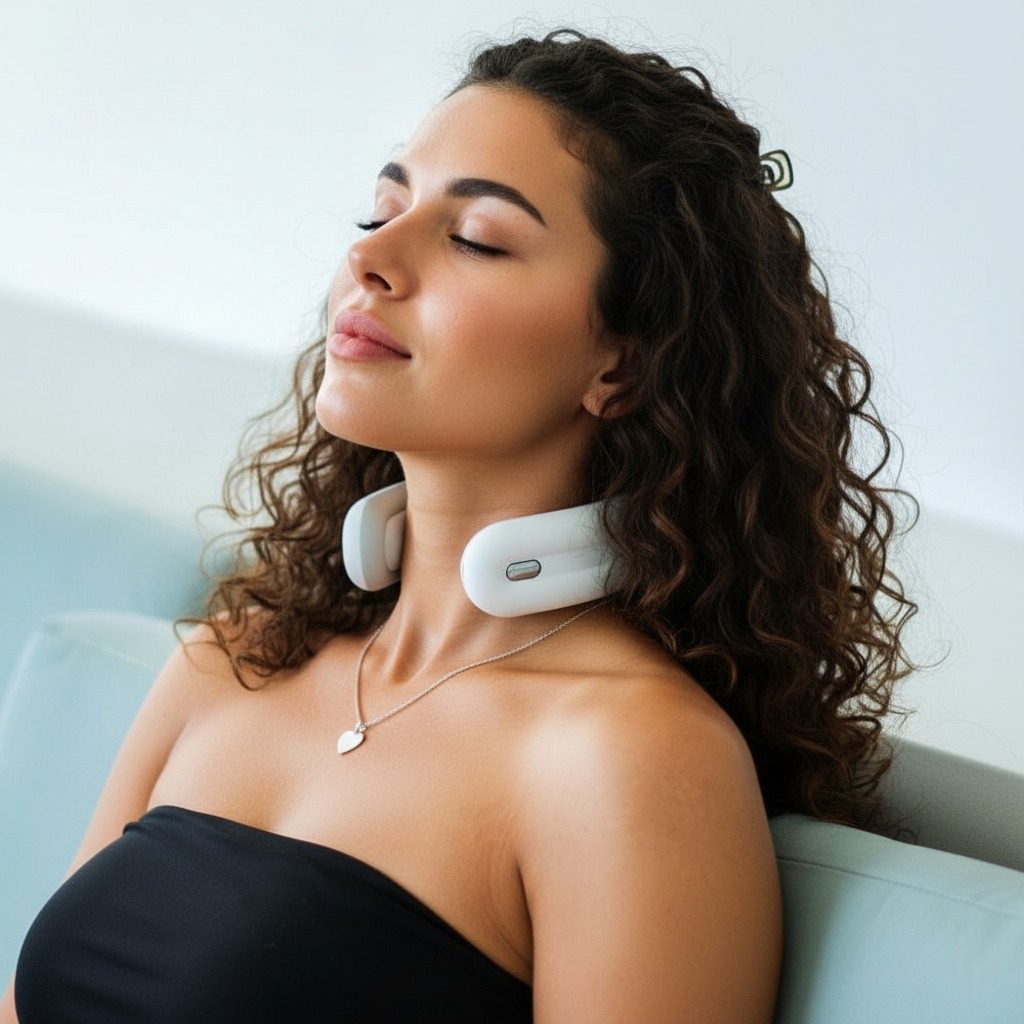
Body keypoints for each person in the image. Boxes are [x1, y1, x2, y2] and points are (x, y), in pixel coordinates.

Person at [3, 27, 916, 1024]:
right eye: (381, 210)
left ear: (625, 363)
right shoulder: (228, 662)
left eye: (475, 236)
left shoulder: (629, 757)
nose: (370, 257)